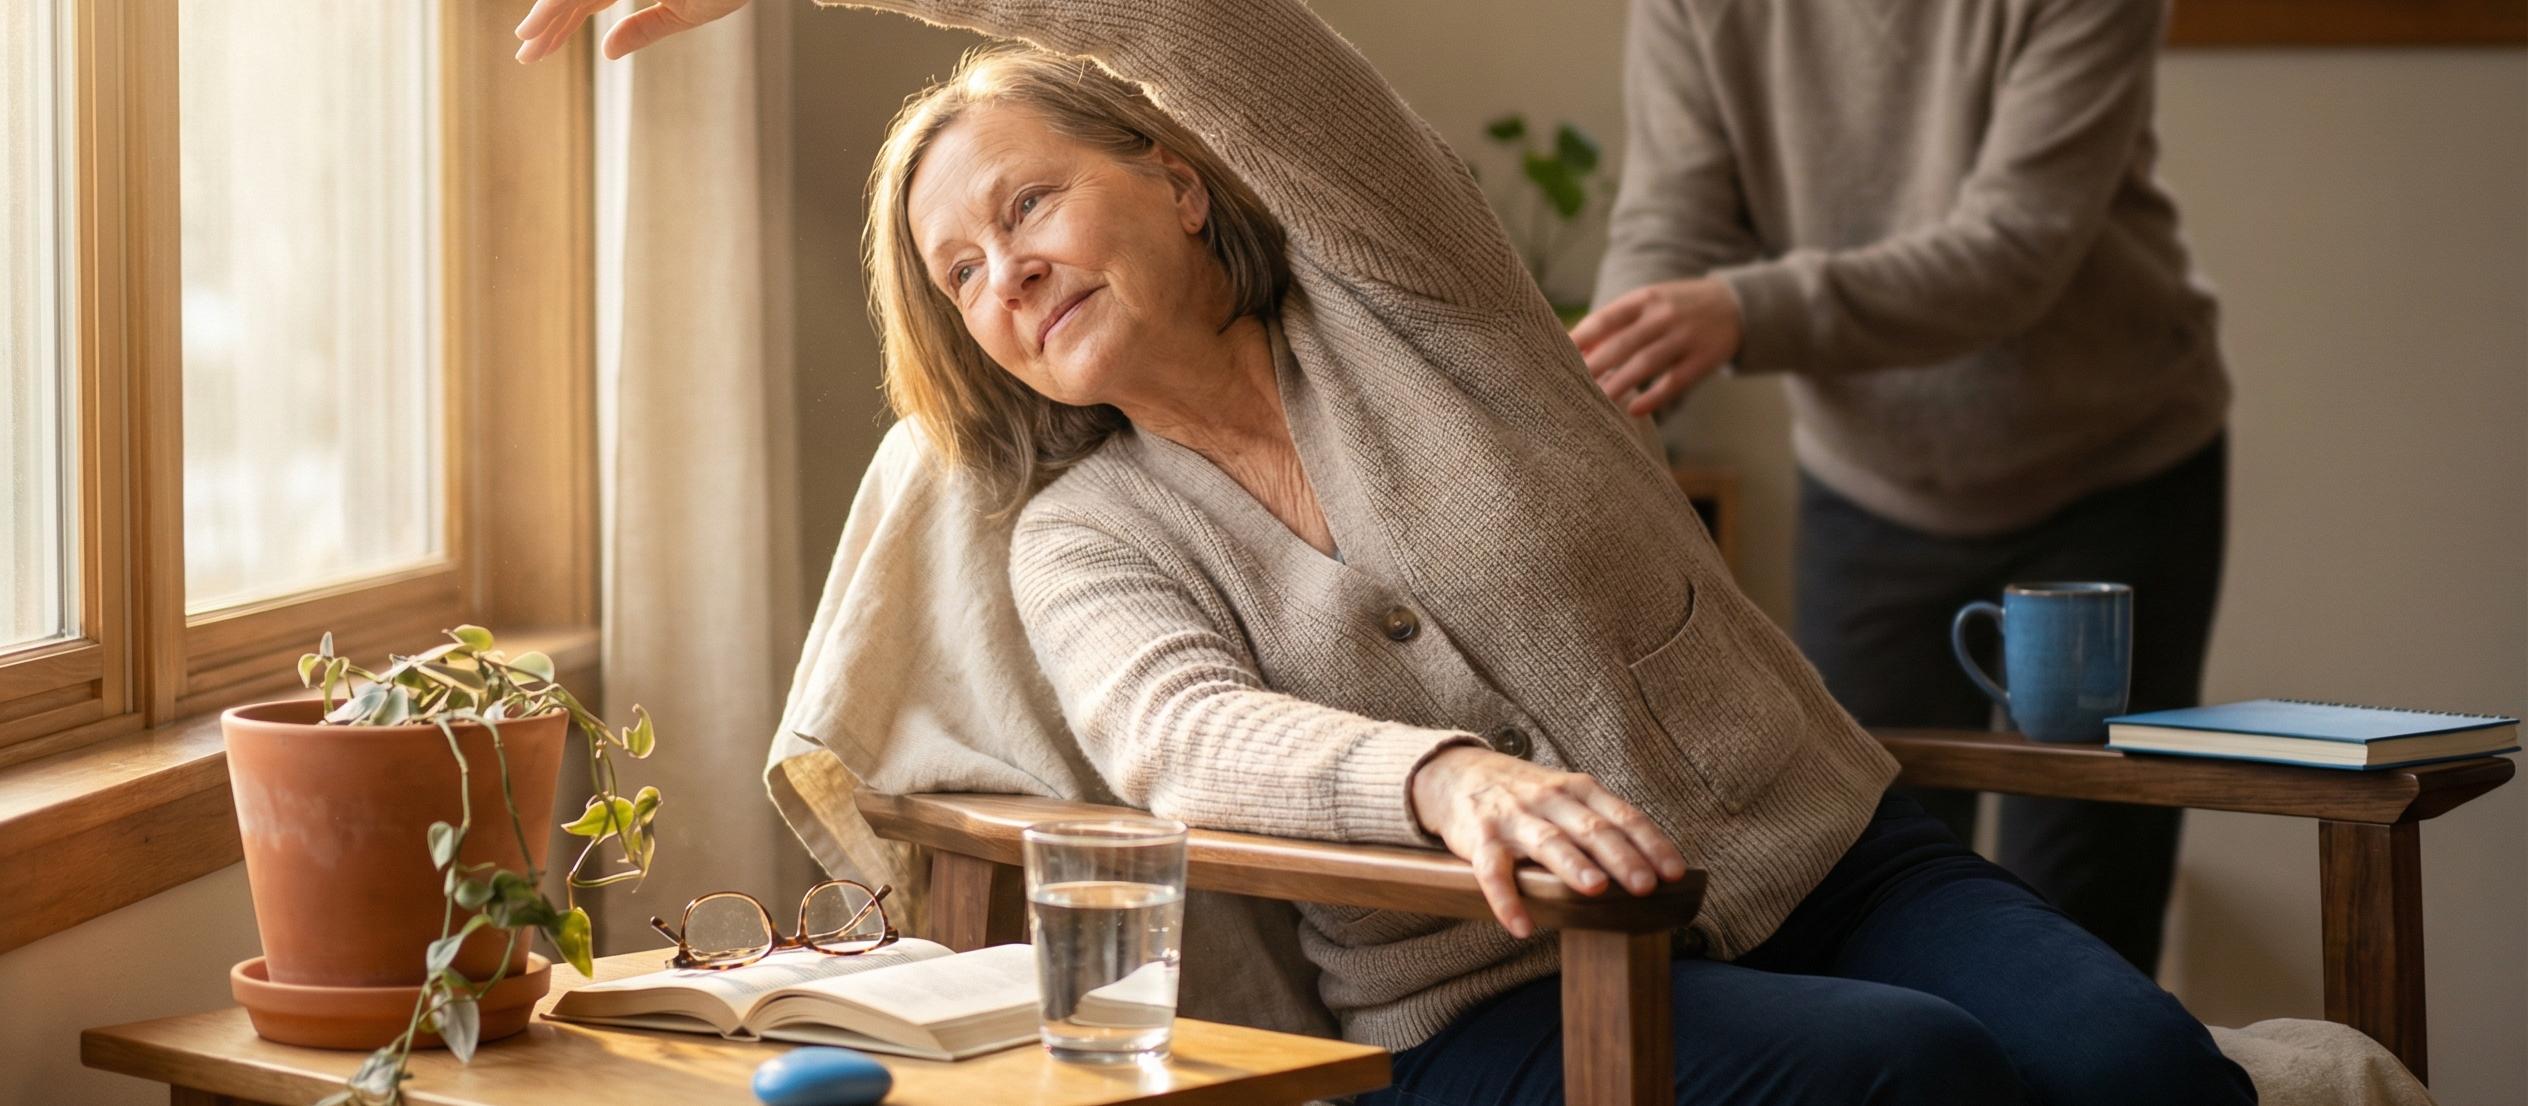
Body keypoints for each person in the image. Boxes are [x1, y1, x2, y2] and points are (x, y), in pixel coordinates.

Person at [516, 1, 2251, 1102]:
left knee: (2147, 1076)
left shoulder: (1412, 295)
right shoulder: (1080, 532)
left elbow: (1217, 32)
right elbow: (1177, 733)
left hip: (1832, 863)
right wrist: (1444, 781)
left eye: (1027, 203)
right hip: (1486, 997)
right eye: (959, 273)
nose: (1006, 272)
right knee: (1910, 1075)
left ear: (1180, 182)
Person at [1578, 0, 2230, 975]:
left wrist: (1741, 310)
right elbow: (1670, 222)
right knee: (1876, 894)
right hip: (1868, 491)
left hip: (2112, 477)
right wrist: (1607, 397)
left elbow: (2015, 250)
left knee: (2086, 913)